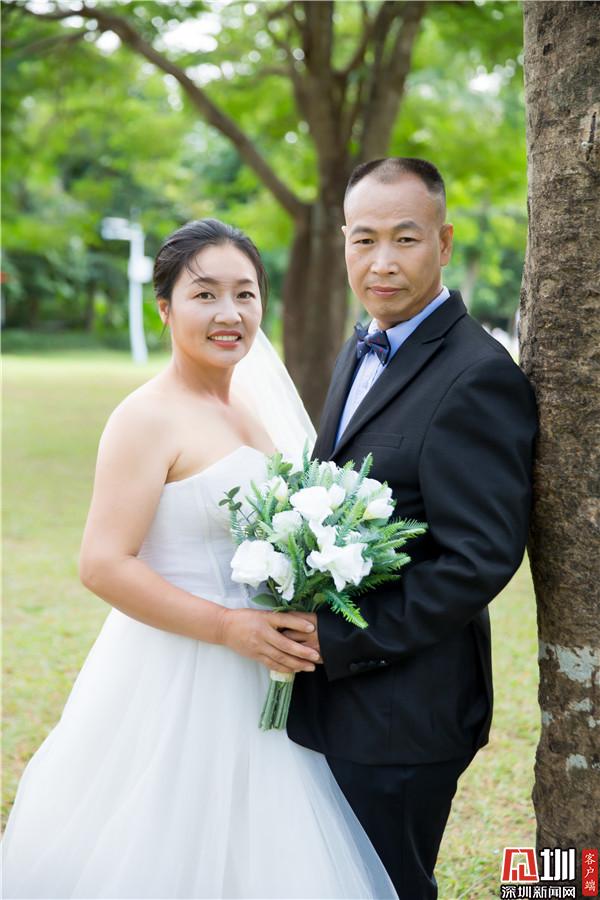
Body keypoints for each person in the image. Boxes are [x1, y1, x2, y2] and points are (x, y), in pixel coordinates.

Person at [1, 219, 396, 899]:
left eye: (245, 294)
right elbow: (102, 563)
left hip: (265, 673)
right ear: (165, 307)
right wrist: (226, 627)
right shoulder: (145, 418)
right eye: (205, 294)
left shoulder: (256, 406)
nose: (229, 313)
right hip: (176, 672)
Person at [285, 157, 538, 900]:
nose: (383, 263)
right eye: (363, 240)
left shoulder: (478, 374)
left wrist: (337, 638)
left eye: (406, 238)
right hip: (336, 702)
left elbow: (479, 558)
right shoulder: (363, 342)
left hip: (405, 713)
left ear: (444, 242)